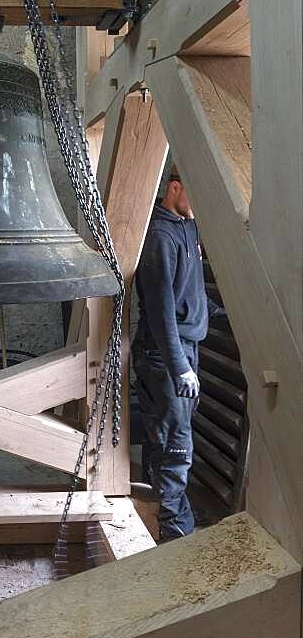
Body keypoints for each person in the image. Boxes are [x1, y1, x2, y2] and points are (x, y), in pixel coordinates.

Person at [132, 166, 216, 542]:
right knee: (176, 443)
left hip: (183, 348)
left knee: (165, 434)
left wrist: (210, 310)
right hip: (165, 355)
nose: (199, 205)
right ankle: (174, 531)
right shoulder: (160, 238)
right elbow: (161, 311)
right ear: (175, 188)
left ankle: (170, 505)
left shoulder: (188, 226)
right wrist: (180, 367)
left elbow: (189, 289)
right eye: (194, 195)